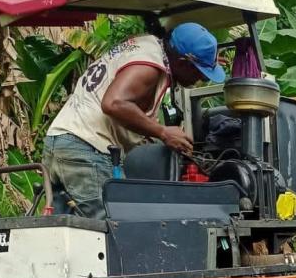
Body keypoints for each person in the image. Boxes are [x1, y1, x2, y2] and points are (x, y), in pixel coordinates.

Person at [42, 22, 226, 222]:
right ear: (182, 62)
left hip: (60, 141)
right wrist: (163, 132)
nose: (200, 79)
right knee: (112, 231)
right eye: (199, 72)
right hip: (85, 149)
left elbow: (128, 110)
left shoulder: (146, 46)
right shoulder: (149, 67)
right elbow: (113, 103)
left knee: (66, 230)